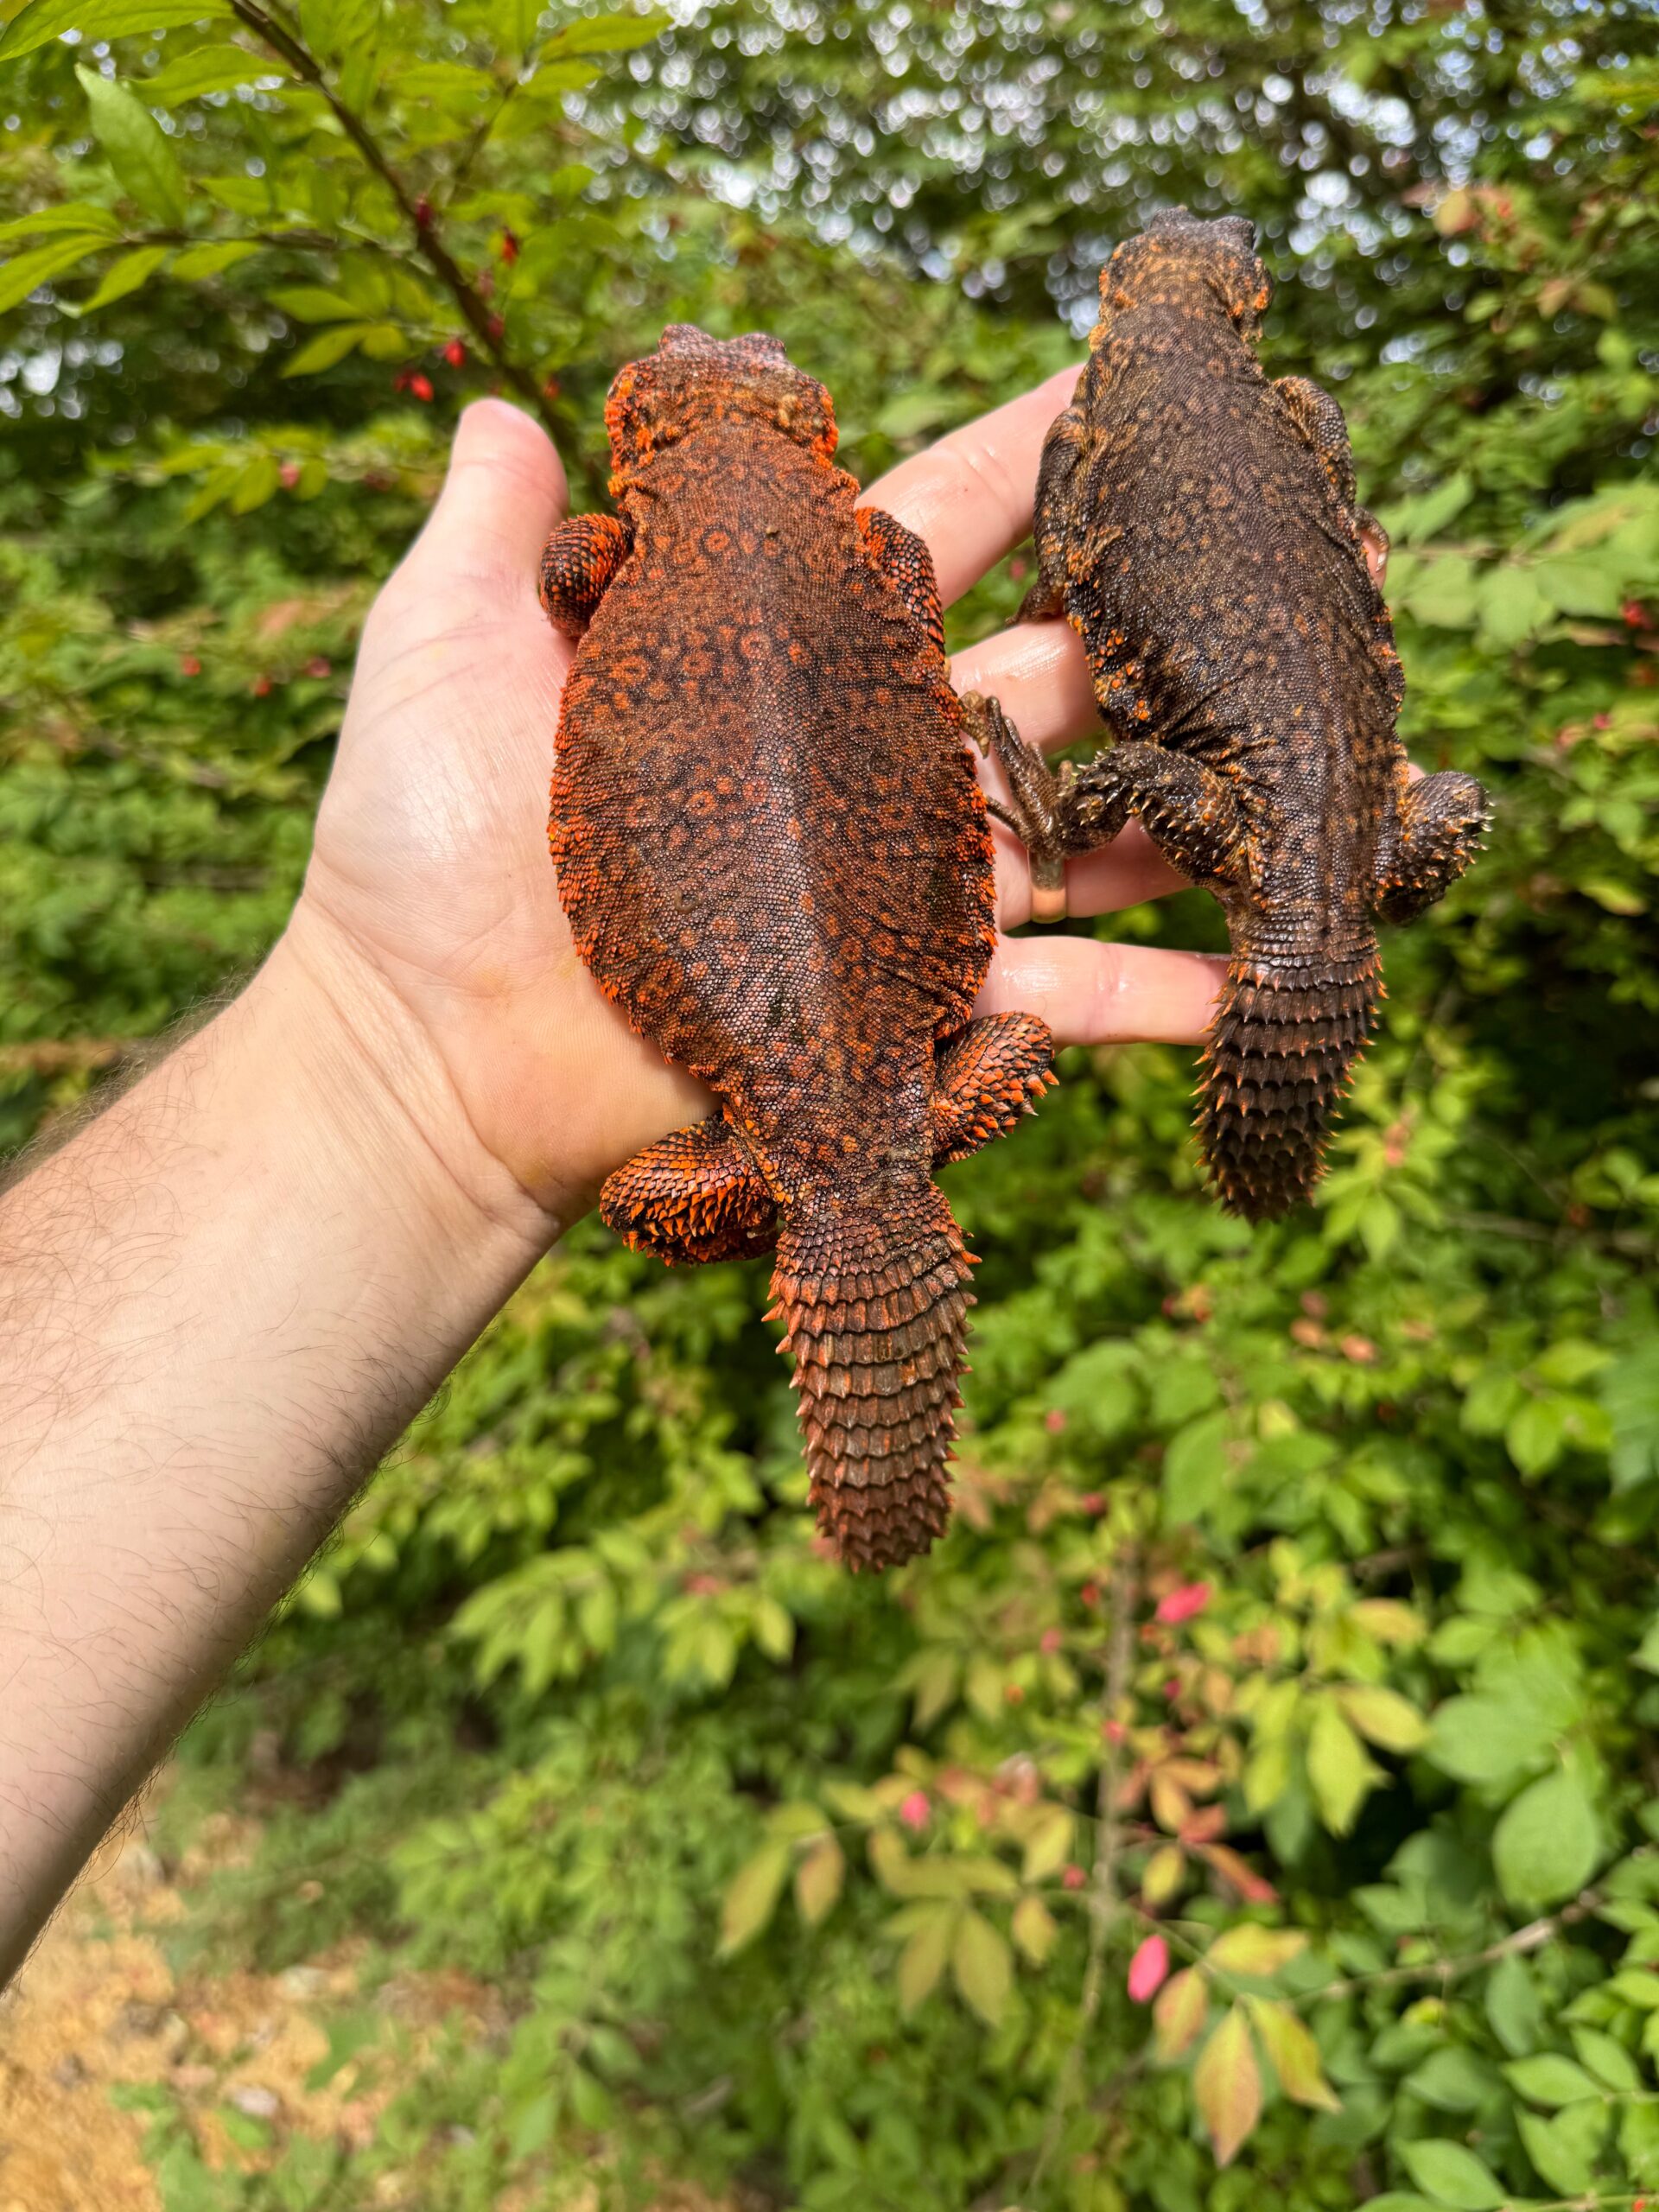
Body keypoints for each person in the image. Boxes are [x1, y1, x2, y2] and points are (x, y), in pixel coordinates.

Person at [0, 378, 1224, 1983]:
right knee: (893, 1126)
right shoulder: (874, 551)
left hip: (804, 1064)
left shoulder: (603, 554)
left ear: (637, 443)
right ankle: (863, 1269)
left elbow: (570, 578)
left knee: (804, 1161)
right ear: (813, 436)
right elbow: (903, 609)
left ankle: (835, 1252)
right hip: (881, 1039)